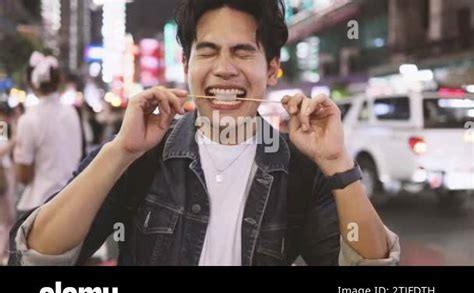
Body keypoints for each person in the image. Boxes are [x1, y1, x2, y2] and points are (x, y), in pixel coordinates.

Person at [9, 0, 399, 266]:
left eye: (243, 51)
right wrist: (120, 152)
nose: (224, 68)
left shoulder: (299, 170)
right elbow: (34, 254)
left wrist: (337, 164)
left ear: (272, 69)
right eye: (208, 51)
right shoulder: (139, 157)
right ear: (186, 62)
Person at [13, 52, 82, 219]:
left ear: (31, 83)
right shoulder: (72, 113)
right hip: (73, 199)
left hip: (40, 205)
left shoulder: (28, 120)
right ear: (59, 81)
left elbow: (23, 176)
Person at [0, 103, 16, 264]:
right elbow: (1, 151)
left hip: (5, 172)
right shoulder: (2, 126)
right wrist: (15, 140)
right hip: (3, 173)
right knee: (7, 218)